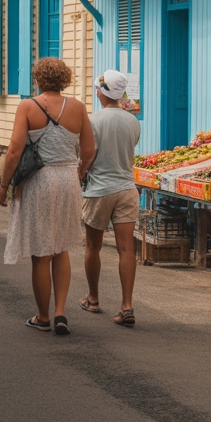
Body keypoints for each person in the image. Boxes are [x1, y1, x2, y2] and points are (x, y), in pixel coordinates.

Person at [0, 58, 96, 336]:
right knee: (61, 246)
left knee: (41, 253)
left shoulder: (28, 106)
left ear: (38, 79)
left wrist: (4, 184)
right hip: (67, 179)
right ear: (64, 79)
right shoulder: (77, 107)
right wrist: (78, 173)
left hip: (39, 180)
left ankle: (43, 316)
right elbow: (89, 150)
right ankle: (61, 312)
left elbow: (15, 150)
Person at [79, 69, 142, 327]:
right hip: (127, 189)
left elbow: (88, 154)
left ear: (101, 92)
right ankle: (127, 306)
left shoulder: (92, 121)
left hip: (98, 190)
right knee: (126, 248)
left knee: (93, 246)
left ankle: (93, 298)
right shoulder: (133, 121)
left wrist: (79, 172)